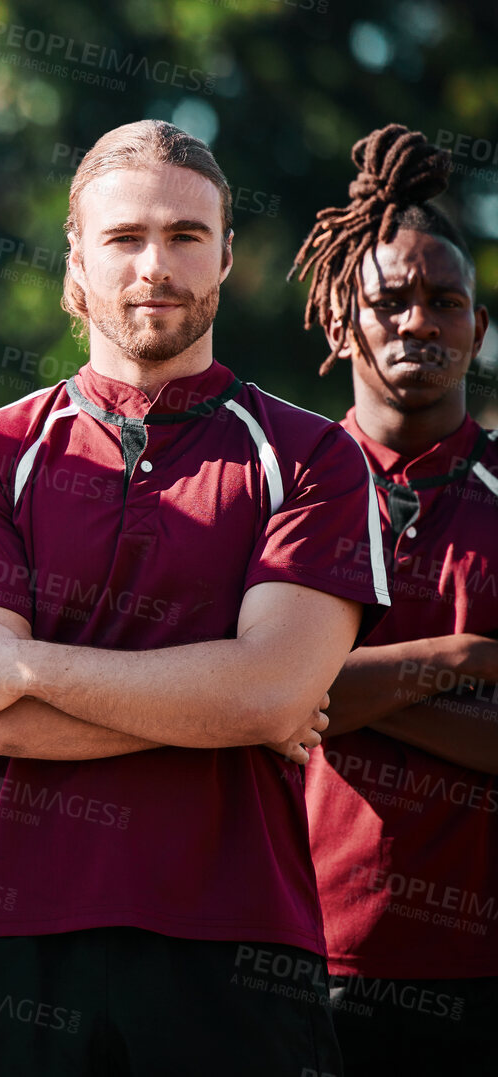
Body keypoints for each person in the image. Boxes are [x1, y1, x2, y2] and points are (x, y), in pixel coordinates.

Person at [0, 119, 388, 1075]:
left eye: (184, 236)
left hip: (239, 934)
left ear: (227, 256)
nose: (154, 266)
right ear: (75, 260)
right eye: (123, 238)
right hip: (13, 928)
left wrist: (30, 664)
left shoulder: (313, 456)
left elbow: (272, 696)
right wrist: (228, 700)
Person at [289, 123, 498, 1074]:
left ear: (478, 329)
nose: (419, 322)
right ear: (341, 321)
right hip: (286, 952)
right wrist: (457, 662)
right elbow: (259, 697)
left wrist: (334, 692)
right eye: (390, 301)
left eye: (445, 302)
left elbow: (297, 693)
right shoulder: (273, 486)